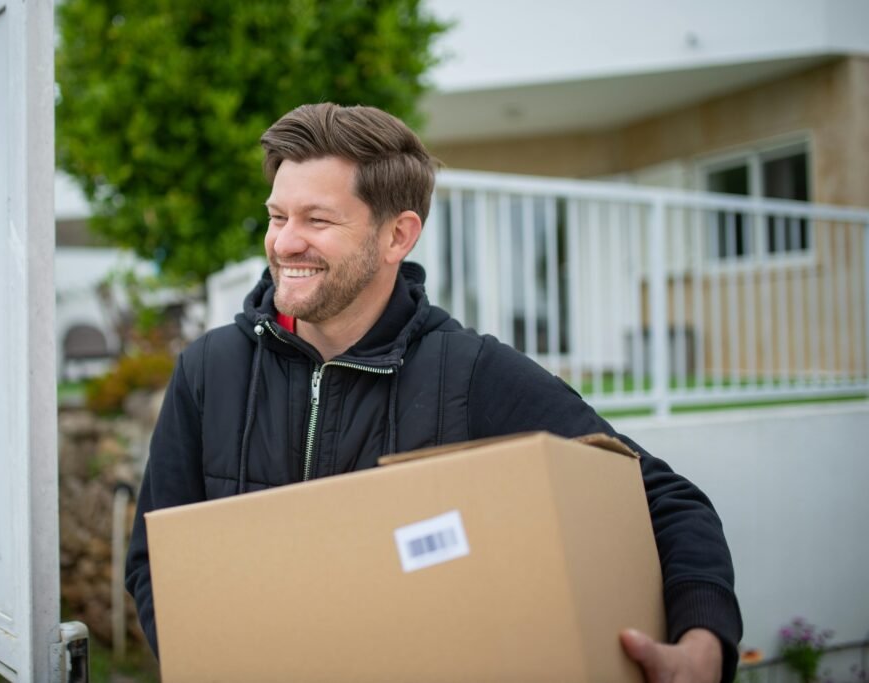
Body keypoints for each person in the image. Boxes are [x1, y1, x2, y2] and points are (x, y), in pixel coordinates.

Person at [125, 102, 743, 682]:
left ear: (399, 236)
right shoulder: (208, 371)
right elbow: (156, 557)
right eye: (278, 216)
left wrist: (702, 644)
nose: (285, 242)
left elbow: (663, 501)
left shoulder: (472, 373)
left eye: (317, 220)